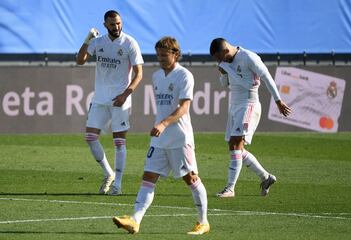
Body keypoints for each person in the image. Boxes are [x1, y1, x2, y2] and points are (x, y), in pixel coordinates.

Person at [112, 37, 210, 235]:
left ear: (176, 54)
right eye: (158, 55)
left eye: (164, 55)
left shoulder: (184, 76)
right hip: (159, 138)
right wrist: (160, 125)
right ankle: (135, 220)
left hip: (180, 137)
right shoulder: (156, 76)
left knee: (190, 178)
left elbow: (184, 107)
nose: (161, 59)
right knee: (148, 177)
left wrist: (164, 123)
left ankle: (203, 222)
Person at [209, 38, 291, 198]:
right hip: (234, 106)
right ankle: (265, 177)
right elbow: (225, 85)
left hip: (249, 104)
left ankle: (230, 188)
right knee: (235, 147)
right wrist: (222, 74)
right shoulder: (223, 62)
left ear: (225, 50)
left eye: (219, 57)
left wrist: (278, 101)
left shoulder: (249, 57)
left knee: (236, 144)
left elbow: (266, 77)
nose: (218, 61)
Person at [76, 10, 144, 195]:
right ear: (105, 24)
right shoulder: (98, 42)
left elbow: (139, 74)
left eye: (119, 23)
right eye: (113, 24)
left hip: (120, 100)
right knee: (90, 138)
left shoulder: (130, 43)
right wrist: (88, 39)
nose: (117, 27)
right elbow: (80, 61)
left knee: (119, 142)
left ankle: (118, 185)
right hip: (100, 99)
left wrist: (125, 94)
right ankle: (109, 174)